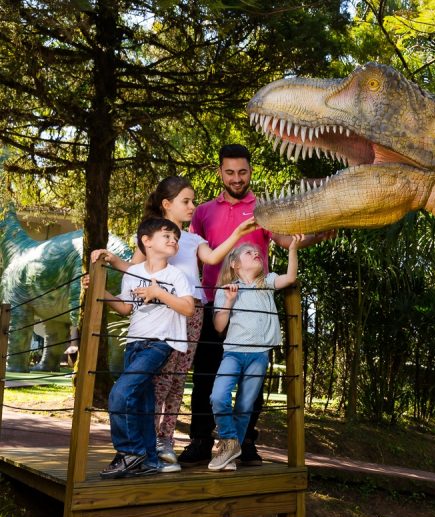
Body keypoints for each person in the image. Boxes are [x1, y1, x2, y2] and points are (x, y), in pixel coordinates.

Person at [179, 143, 331, 466]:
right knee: (207, 377)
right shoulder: (203, 212)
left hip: (251, 311)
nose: (236, 178)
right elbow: (193, 252)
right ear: (220, 172)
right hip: (212, 303)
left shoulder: (263, 208)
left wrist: (320, 234)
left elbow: (289, 241)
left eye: (242, 172)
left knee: (252, 382)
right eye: (230, 172)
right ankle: (201, 441)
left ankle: (243, 442)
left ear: (250, 171)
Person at [92, 176, 258, 468]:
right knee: (159, 381)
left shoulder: (192, 239)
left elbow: (216, 256)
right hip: (159, 318)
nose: (193, 206)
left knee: (178, 381)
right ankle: (149, 443)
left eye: (194, 200)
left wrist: (238, 233)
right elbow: (136, 272)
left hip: (191, 313)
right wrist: (113, 261)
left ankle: (165, 440)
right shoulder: (153, 237)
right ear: (167, 204)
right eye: (186, 201)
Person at [90, 218, 195, 478]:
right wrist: (100, 291)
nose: (173, 240)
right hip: (135, 343)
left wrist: (159, 293)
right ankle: (149, 460)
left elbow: (188, 308)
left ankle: (129, 452)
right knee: (142, 404)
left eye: (176, 238)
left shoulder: (176, 275)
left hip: (160, 344)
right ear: (146, 241)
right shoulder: (132, 274)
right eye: (167, 235)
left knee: (120, 393)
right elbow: (126, 308)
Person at [207, 237, 300, 471]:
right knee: (218, 397)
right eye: (248, 253)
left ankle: (228, 455)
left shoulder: (266, 282)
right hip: (233, 354)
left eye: (257, 252)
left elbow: (290, 278)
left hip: (259, 355)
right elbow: (219, 326)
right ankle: (229, 441)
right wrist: (228, 300)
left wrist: (292, 249)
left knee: (245, 406)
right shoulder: (226, 289)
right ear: (235, 264)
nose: (255, 254)